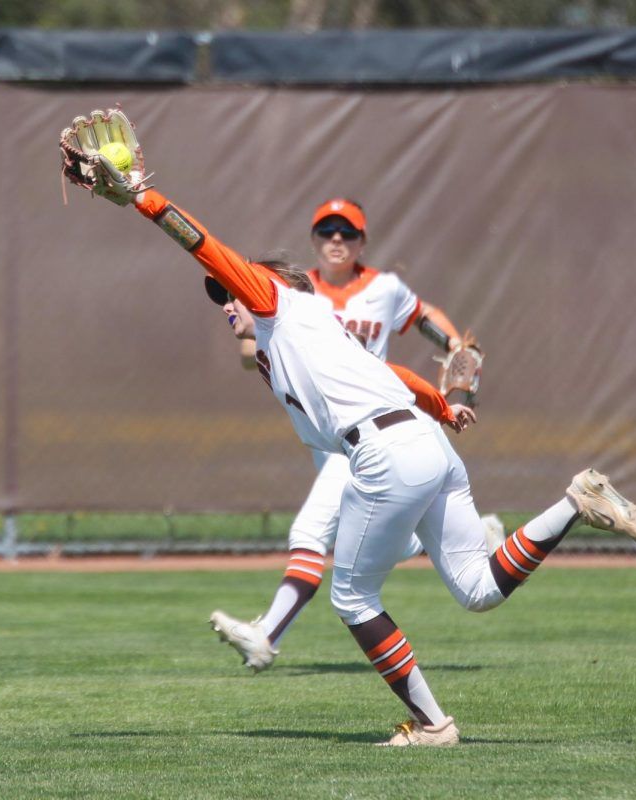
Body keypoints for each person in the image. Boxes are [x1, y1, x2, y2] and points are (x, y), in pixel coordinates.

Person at [72, 165, 636, 747]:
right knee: (477, 589)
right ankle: (576, 500)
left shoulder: (278, 303)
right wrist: (444, 409)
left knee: (351, 596)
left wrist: (144, 197)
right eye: (221, 299)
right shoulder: (306, 333)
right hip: (426, 442)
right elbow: (392, 371)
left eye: (230, 294)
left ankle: (433, 725)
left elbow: (204, 247)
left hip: (384, 451)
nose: (226, 303)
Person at [211, 199, 500, 674]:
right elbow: (251, 348)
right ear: (314, 240)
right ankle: (446, 539)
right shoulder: (290, 292)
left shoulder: (383, 289)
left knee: (311, 532)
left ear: (362, 241)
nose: (337, 240)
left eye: (347, 232)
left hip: (375, 423)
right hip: (339, 438)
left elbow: (436, 328)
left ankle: (266, 635)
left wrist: (458, 356)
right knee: (357, 538)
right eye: (327, 231)